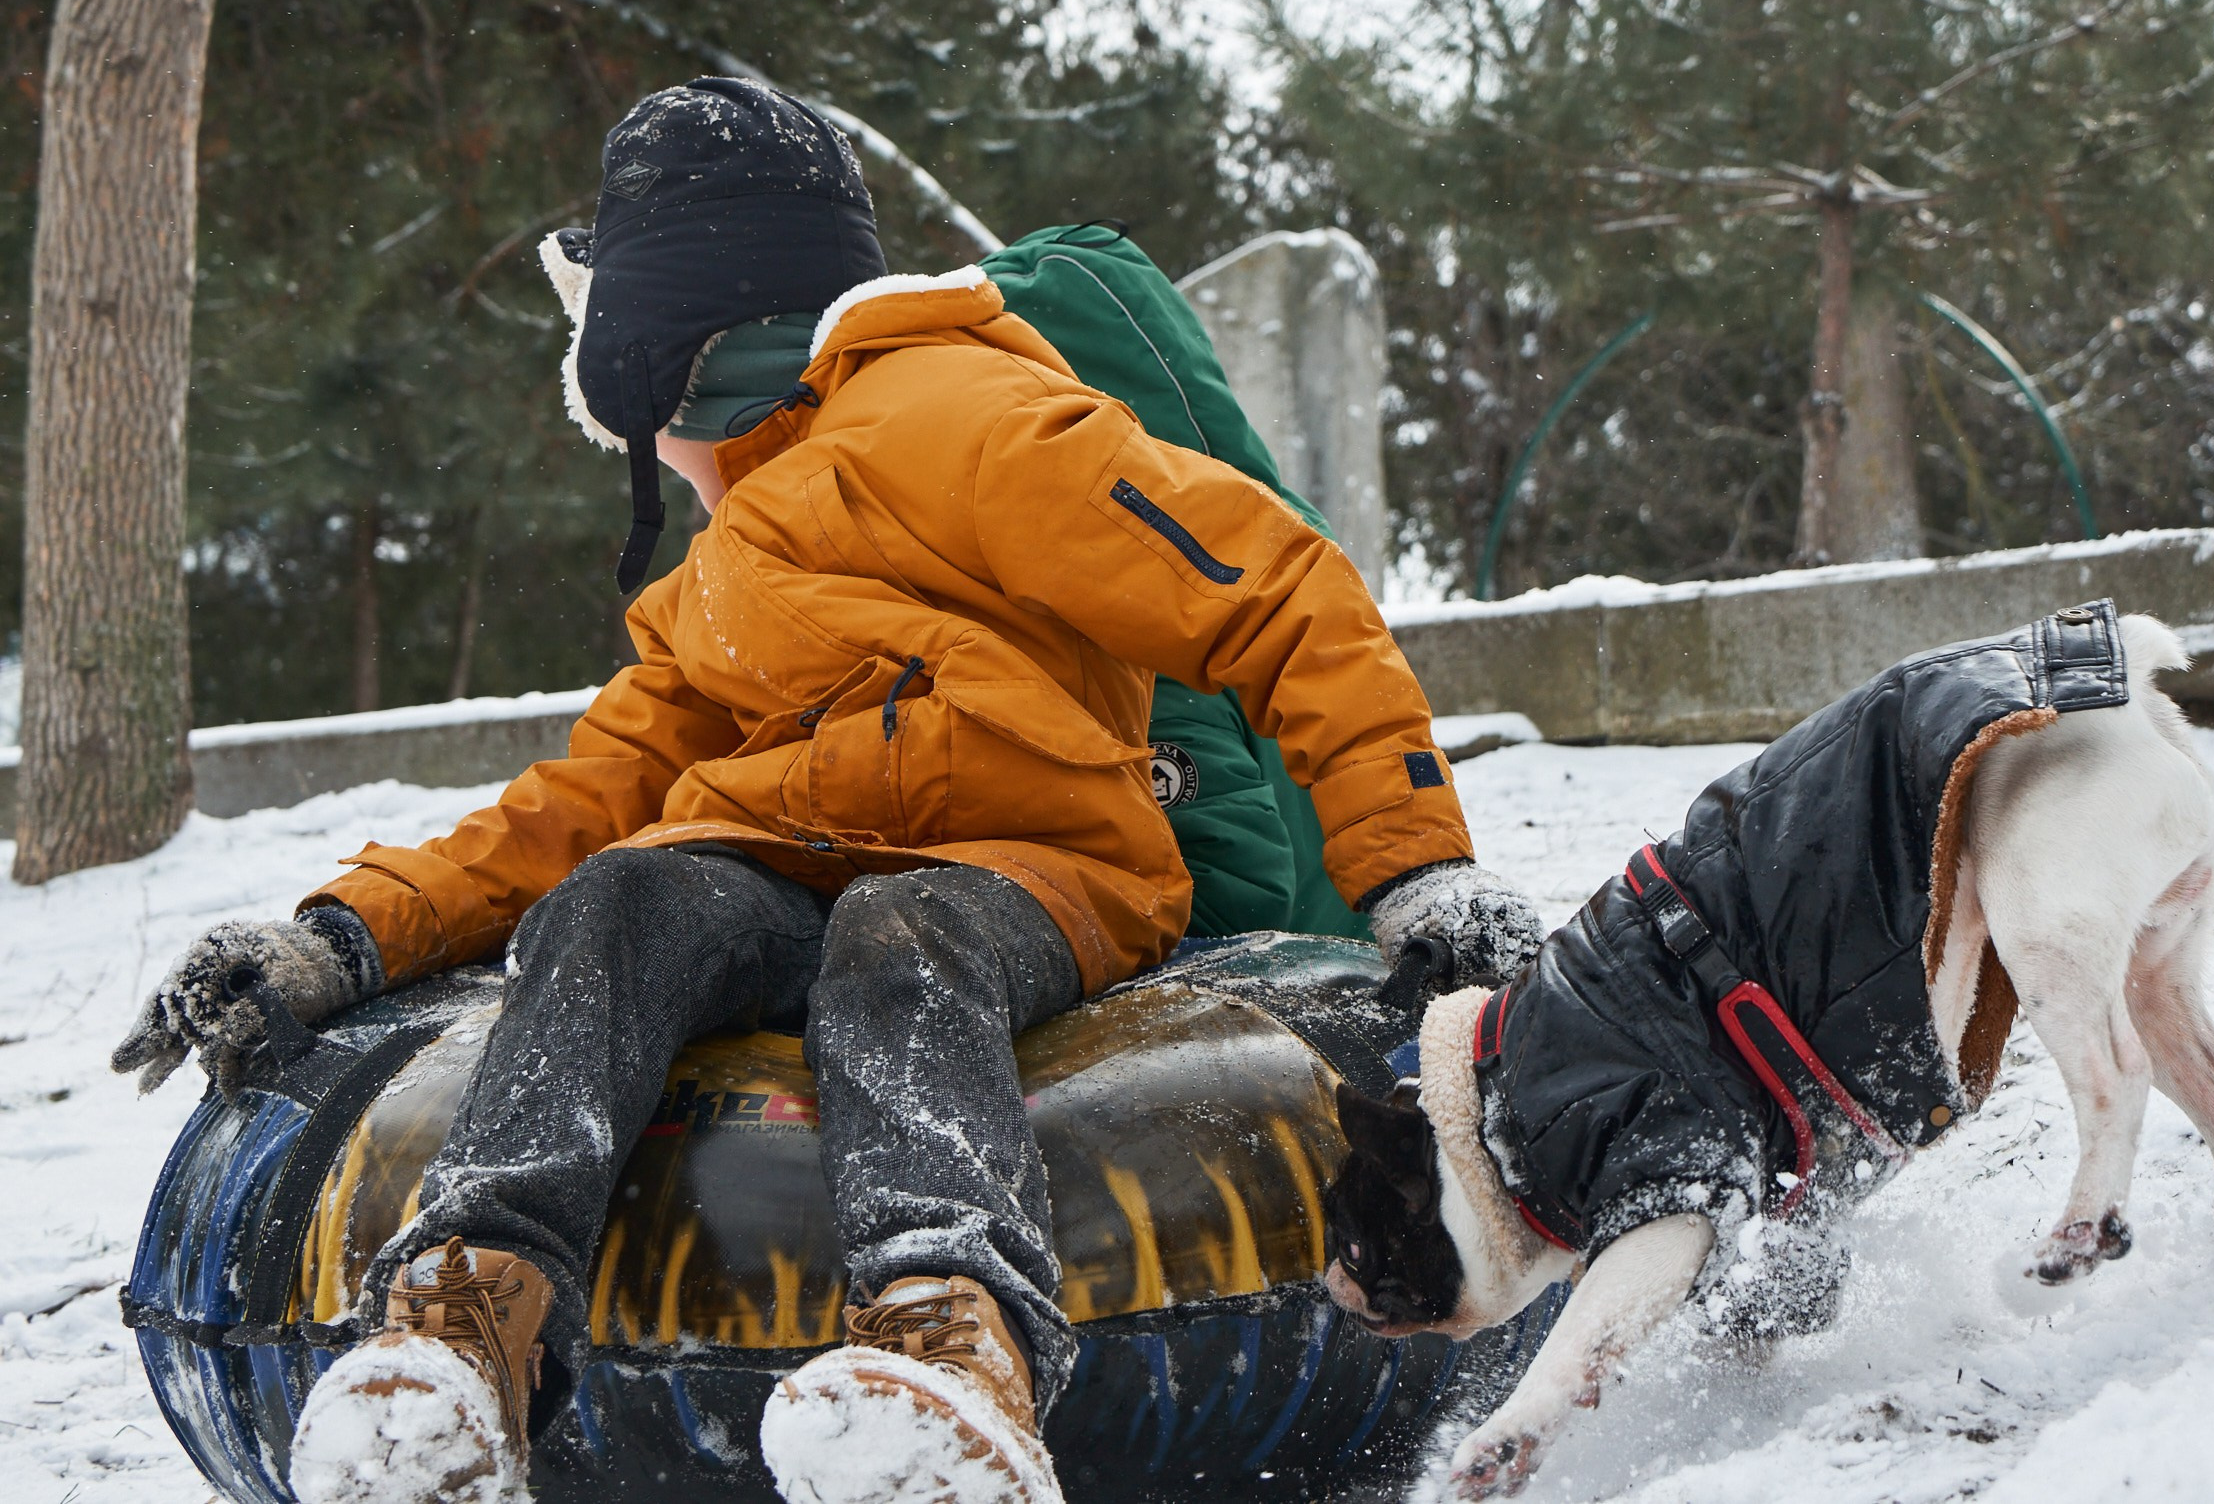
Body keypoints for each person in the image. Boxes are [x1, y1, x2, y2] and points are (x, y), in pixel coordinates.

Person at [112, 78, 1544, 1504]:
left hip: (1027, 867)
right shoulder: (717, 583)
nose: (655, 465)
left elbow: (1278, 593)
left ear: (664, 363)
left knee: (899, 939)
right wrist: (338, 934)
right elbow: (579, 800)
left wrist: (1414, 865)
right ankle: (463, 1324)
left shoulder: (975, 418)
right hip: (783, 868)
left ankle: (953, 1340)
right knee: (616, 898)